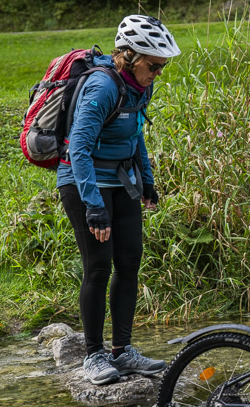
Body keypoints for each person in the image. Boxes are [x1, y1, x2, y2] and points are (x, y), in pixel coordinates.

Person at [57, 15, 180, 385]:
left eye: (162, 67)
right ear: (129, 56)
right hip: (84, 181)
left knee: (129, 263)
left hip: (122, 180)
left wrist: (148, 182)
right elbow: (78, 148)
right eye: (153, 66)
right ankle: (94, 355)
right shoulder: (102, 86)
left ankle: (122, 351)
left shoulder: (140, 87)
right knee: (98, 266)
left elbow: (135, 134)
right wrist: (94, 205)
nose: (158, 73)